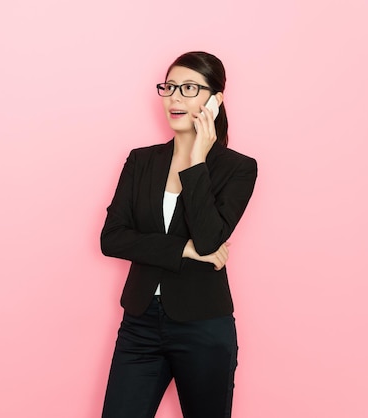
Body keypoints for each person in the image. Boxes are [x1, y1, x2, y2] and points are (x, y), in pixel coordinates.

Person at [100, 51, 257, 418]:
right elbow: (113, 238)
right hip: (139, 325)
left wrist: (198, 160)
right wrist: (183, 249)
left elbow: (209, 240)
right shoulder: (142, 161)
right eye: (169, 87)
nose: (174, 98)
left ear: (215, 100)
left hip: (203, 327)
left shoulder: (238, 168)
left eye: (188, 88)